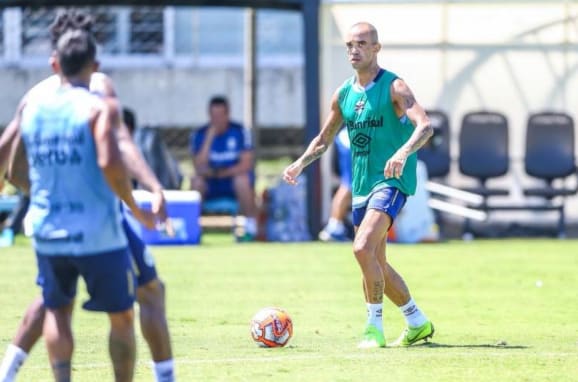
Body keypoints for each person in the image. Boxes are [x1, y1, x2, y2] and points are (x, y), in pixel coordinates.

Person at [0, 10, 176, 382]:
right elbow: (117, 150)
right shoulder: (97, 92)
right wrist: (144, 195)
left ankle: (11, 372)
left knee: (53, 304)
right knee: (137, 301)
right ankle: (164, 376)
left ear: (55, 58)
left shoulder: (34, 100)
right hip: (101, 220)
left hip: (49, 224)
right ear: (93, 58)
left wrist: (43, 194)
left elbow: (8, 157)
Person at [282, 22, 435, 348]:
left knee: (361, 247)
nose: (355, 50)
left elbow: (425, 127)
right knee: (376, 263)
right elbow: (324, 140)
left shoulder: (395, 87)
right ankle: (416, 321)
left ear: (376, 49)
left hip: (391, 182)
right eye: (350, 44)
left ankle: (372, 328)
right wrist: (300, 163)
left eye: (362, 44)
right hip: (362, 186)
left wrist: (403, 151)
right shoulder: (344, 95)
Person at [190, 95, 258, 241]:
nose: (217, 120)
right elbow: (198, 166)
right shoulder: (200, 134)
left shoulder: (240, 132)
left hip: (231, 182)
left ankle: (250, 229)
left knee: (242, 180)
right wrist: (209, 139)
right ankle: (193, 229)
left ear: (227, 114)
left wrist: (220, 173)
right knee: (196, 182)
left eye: (220, 115)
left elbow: (246, 164)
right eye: (213, 115)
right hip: (211, 184)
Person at [318, 127, 352, 242]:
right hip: (351, 140)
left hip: (355, 139)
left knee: (351, 186)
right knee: (348, 185)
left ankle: (337, 227)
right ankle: (334, 227)